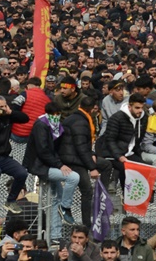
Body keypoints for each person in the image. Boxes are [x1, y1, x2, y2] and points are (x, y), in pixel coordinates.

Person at [23, 100, 81, 233]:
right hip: (40, 166)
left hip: (49, 164)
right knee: (73, 177)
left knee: (56, 199)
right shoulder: (41, 125)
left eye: (58, 113)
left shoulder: (57, 126)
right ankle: (65, 207)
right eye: (54, 114)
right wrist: (59, 165)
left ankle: (55, 234)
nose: (56, 116)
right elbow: (43, 150)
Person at [61, 93, 101, 233]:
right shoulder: (81, 122)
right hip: (73, 160)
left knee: (107, 165)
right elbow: (81, 147)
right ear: (93, 109)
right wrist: (92, 167)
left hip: (74, 157)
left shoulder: (78, 118)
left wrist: (93, 155)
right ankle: (86, 225)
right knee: (87, 190)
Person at [97, 92, 148, 195]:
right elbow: (110, 140)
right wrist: (119, 156)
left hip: (129, 152)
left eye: (141, 108)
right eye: (137, 108)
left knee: (145, 168)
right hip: (111, 153)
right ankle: (125, 197)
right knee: (126, 170)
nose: (140, 111)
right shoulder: (117, 118)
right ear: (130, 106)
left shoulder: (143, 117)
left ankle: (136, 199)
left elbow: (139, 137)